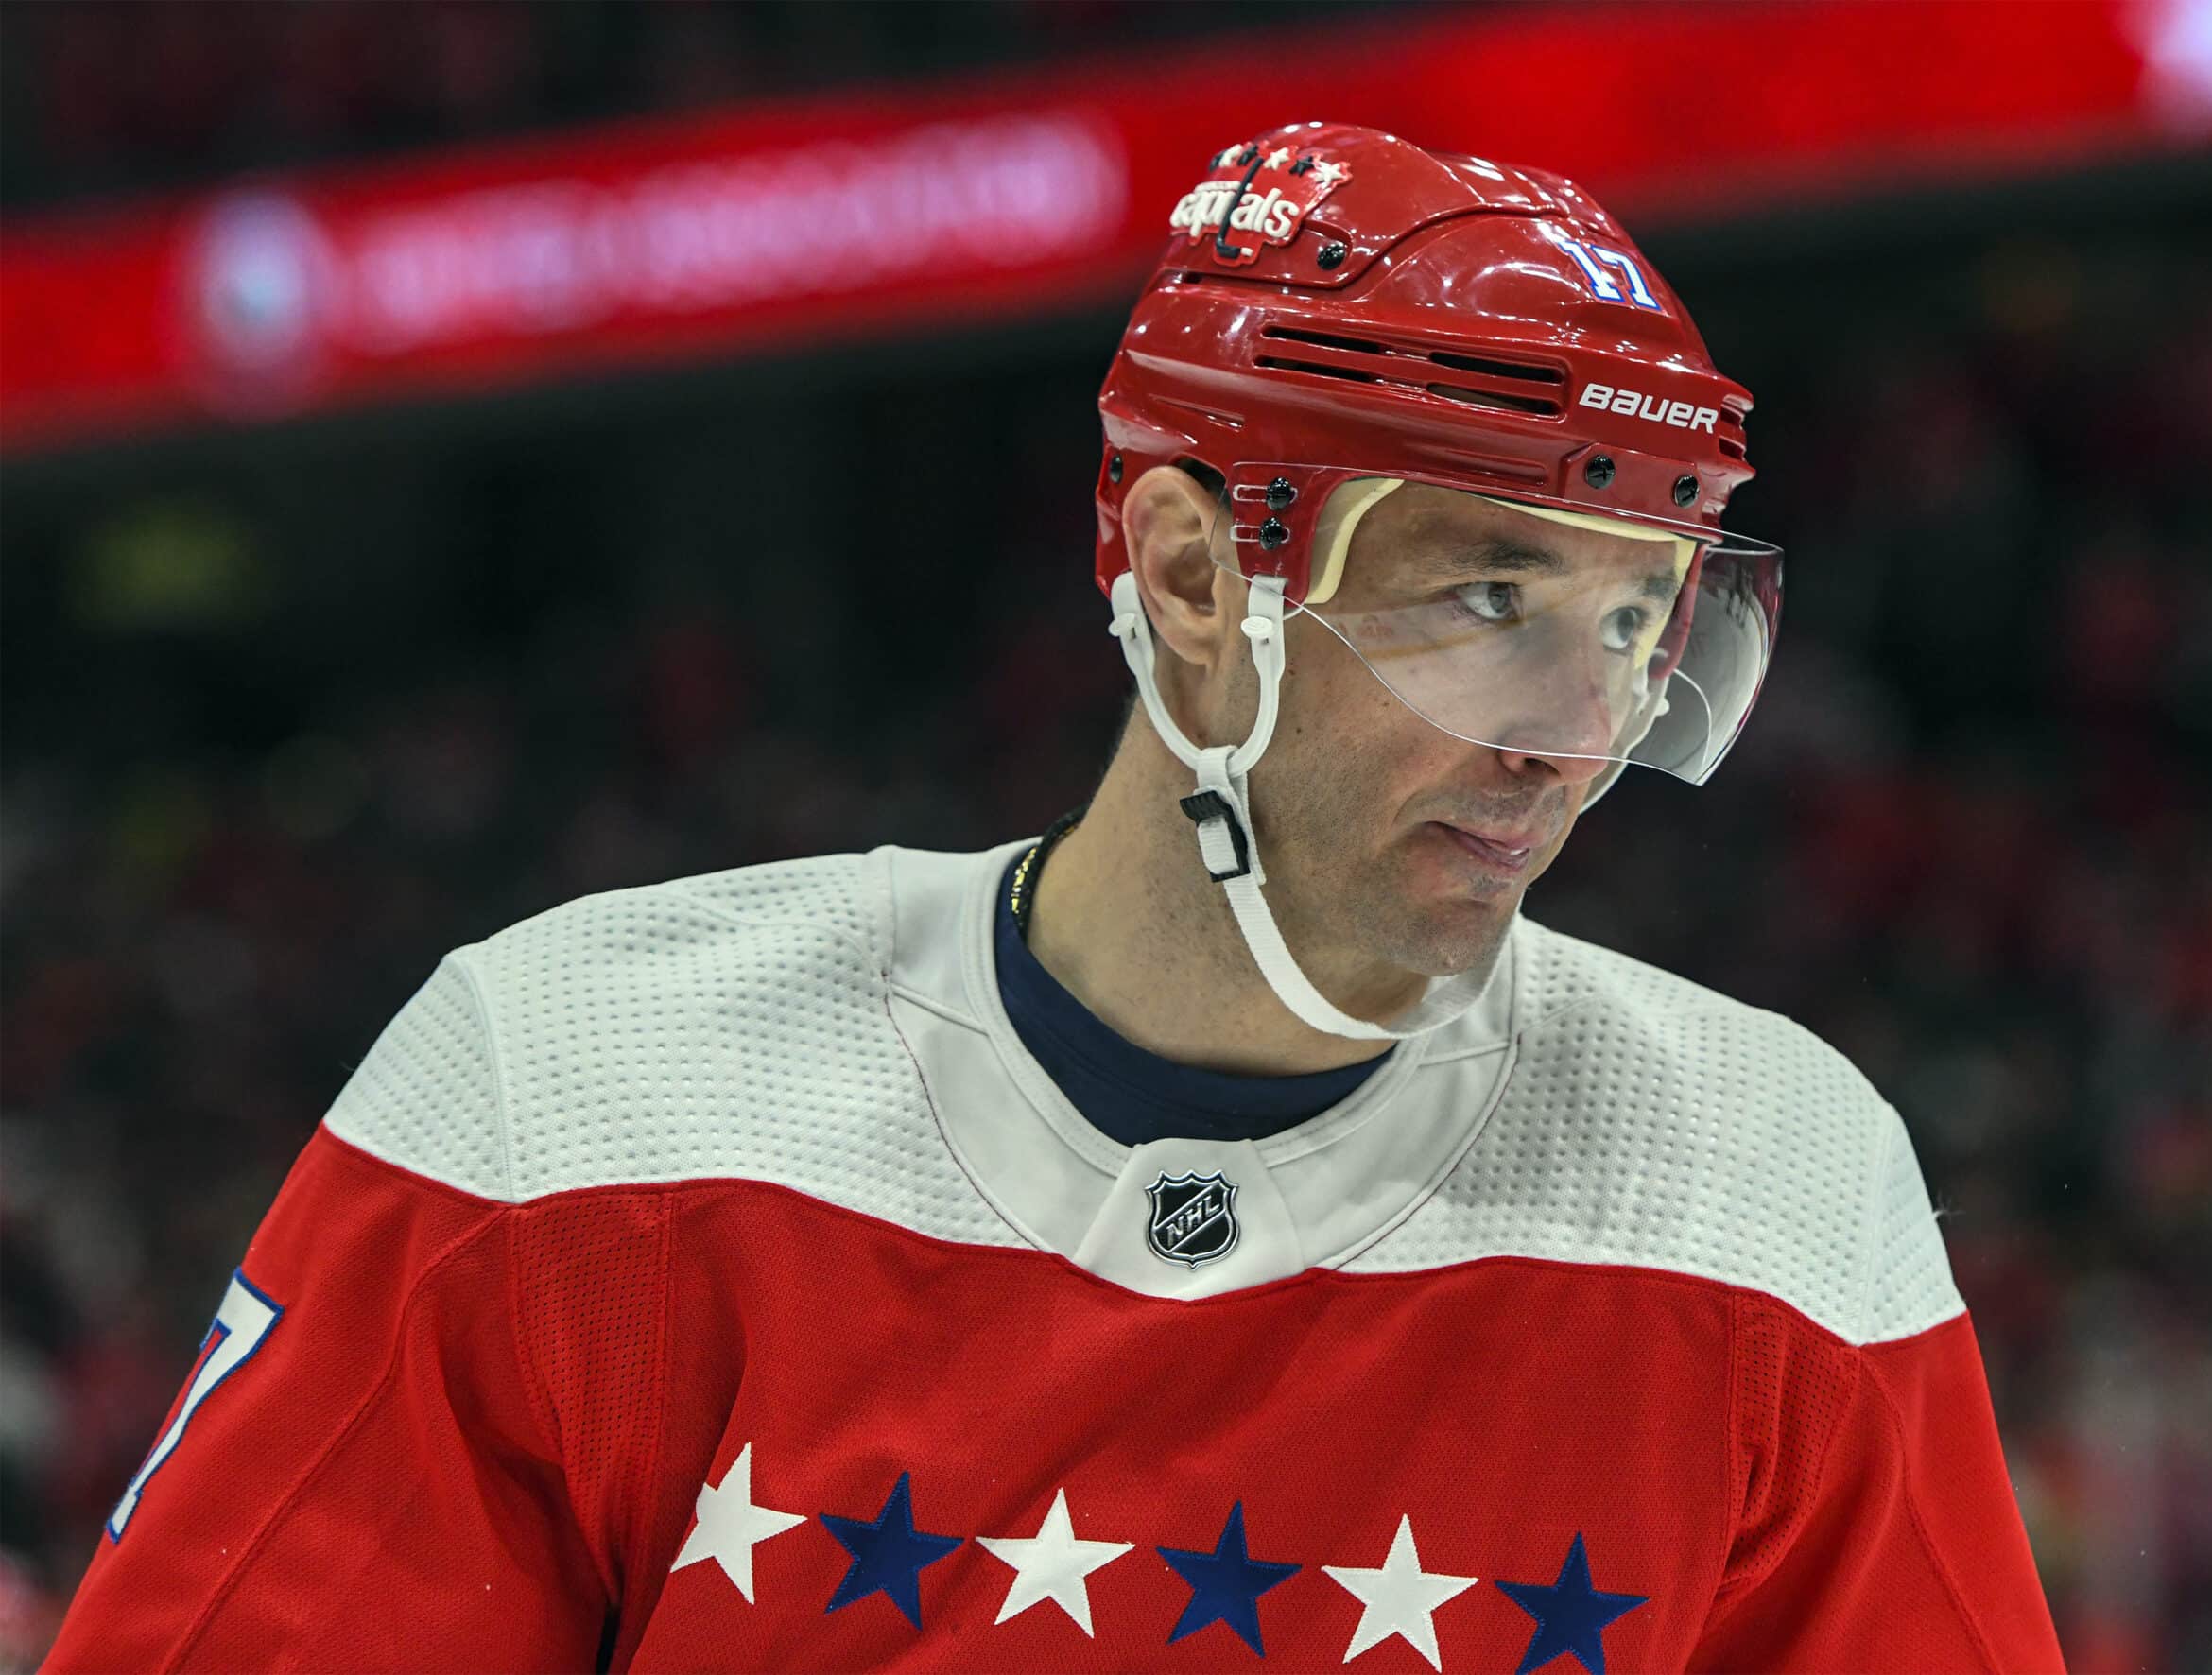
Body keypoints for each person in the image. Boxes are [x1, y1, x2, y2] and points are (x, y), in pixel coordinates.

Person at [50, 122, 2063, 1674]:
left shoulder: (1767, 1192)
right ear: (1189, 573)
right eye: (1486, 596)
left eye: (1634, 622)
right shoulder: (568, 1095)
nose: (1576, 734)